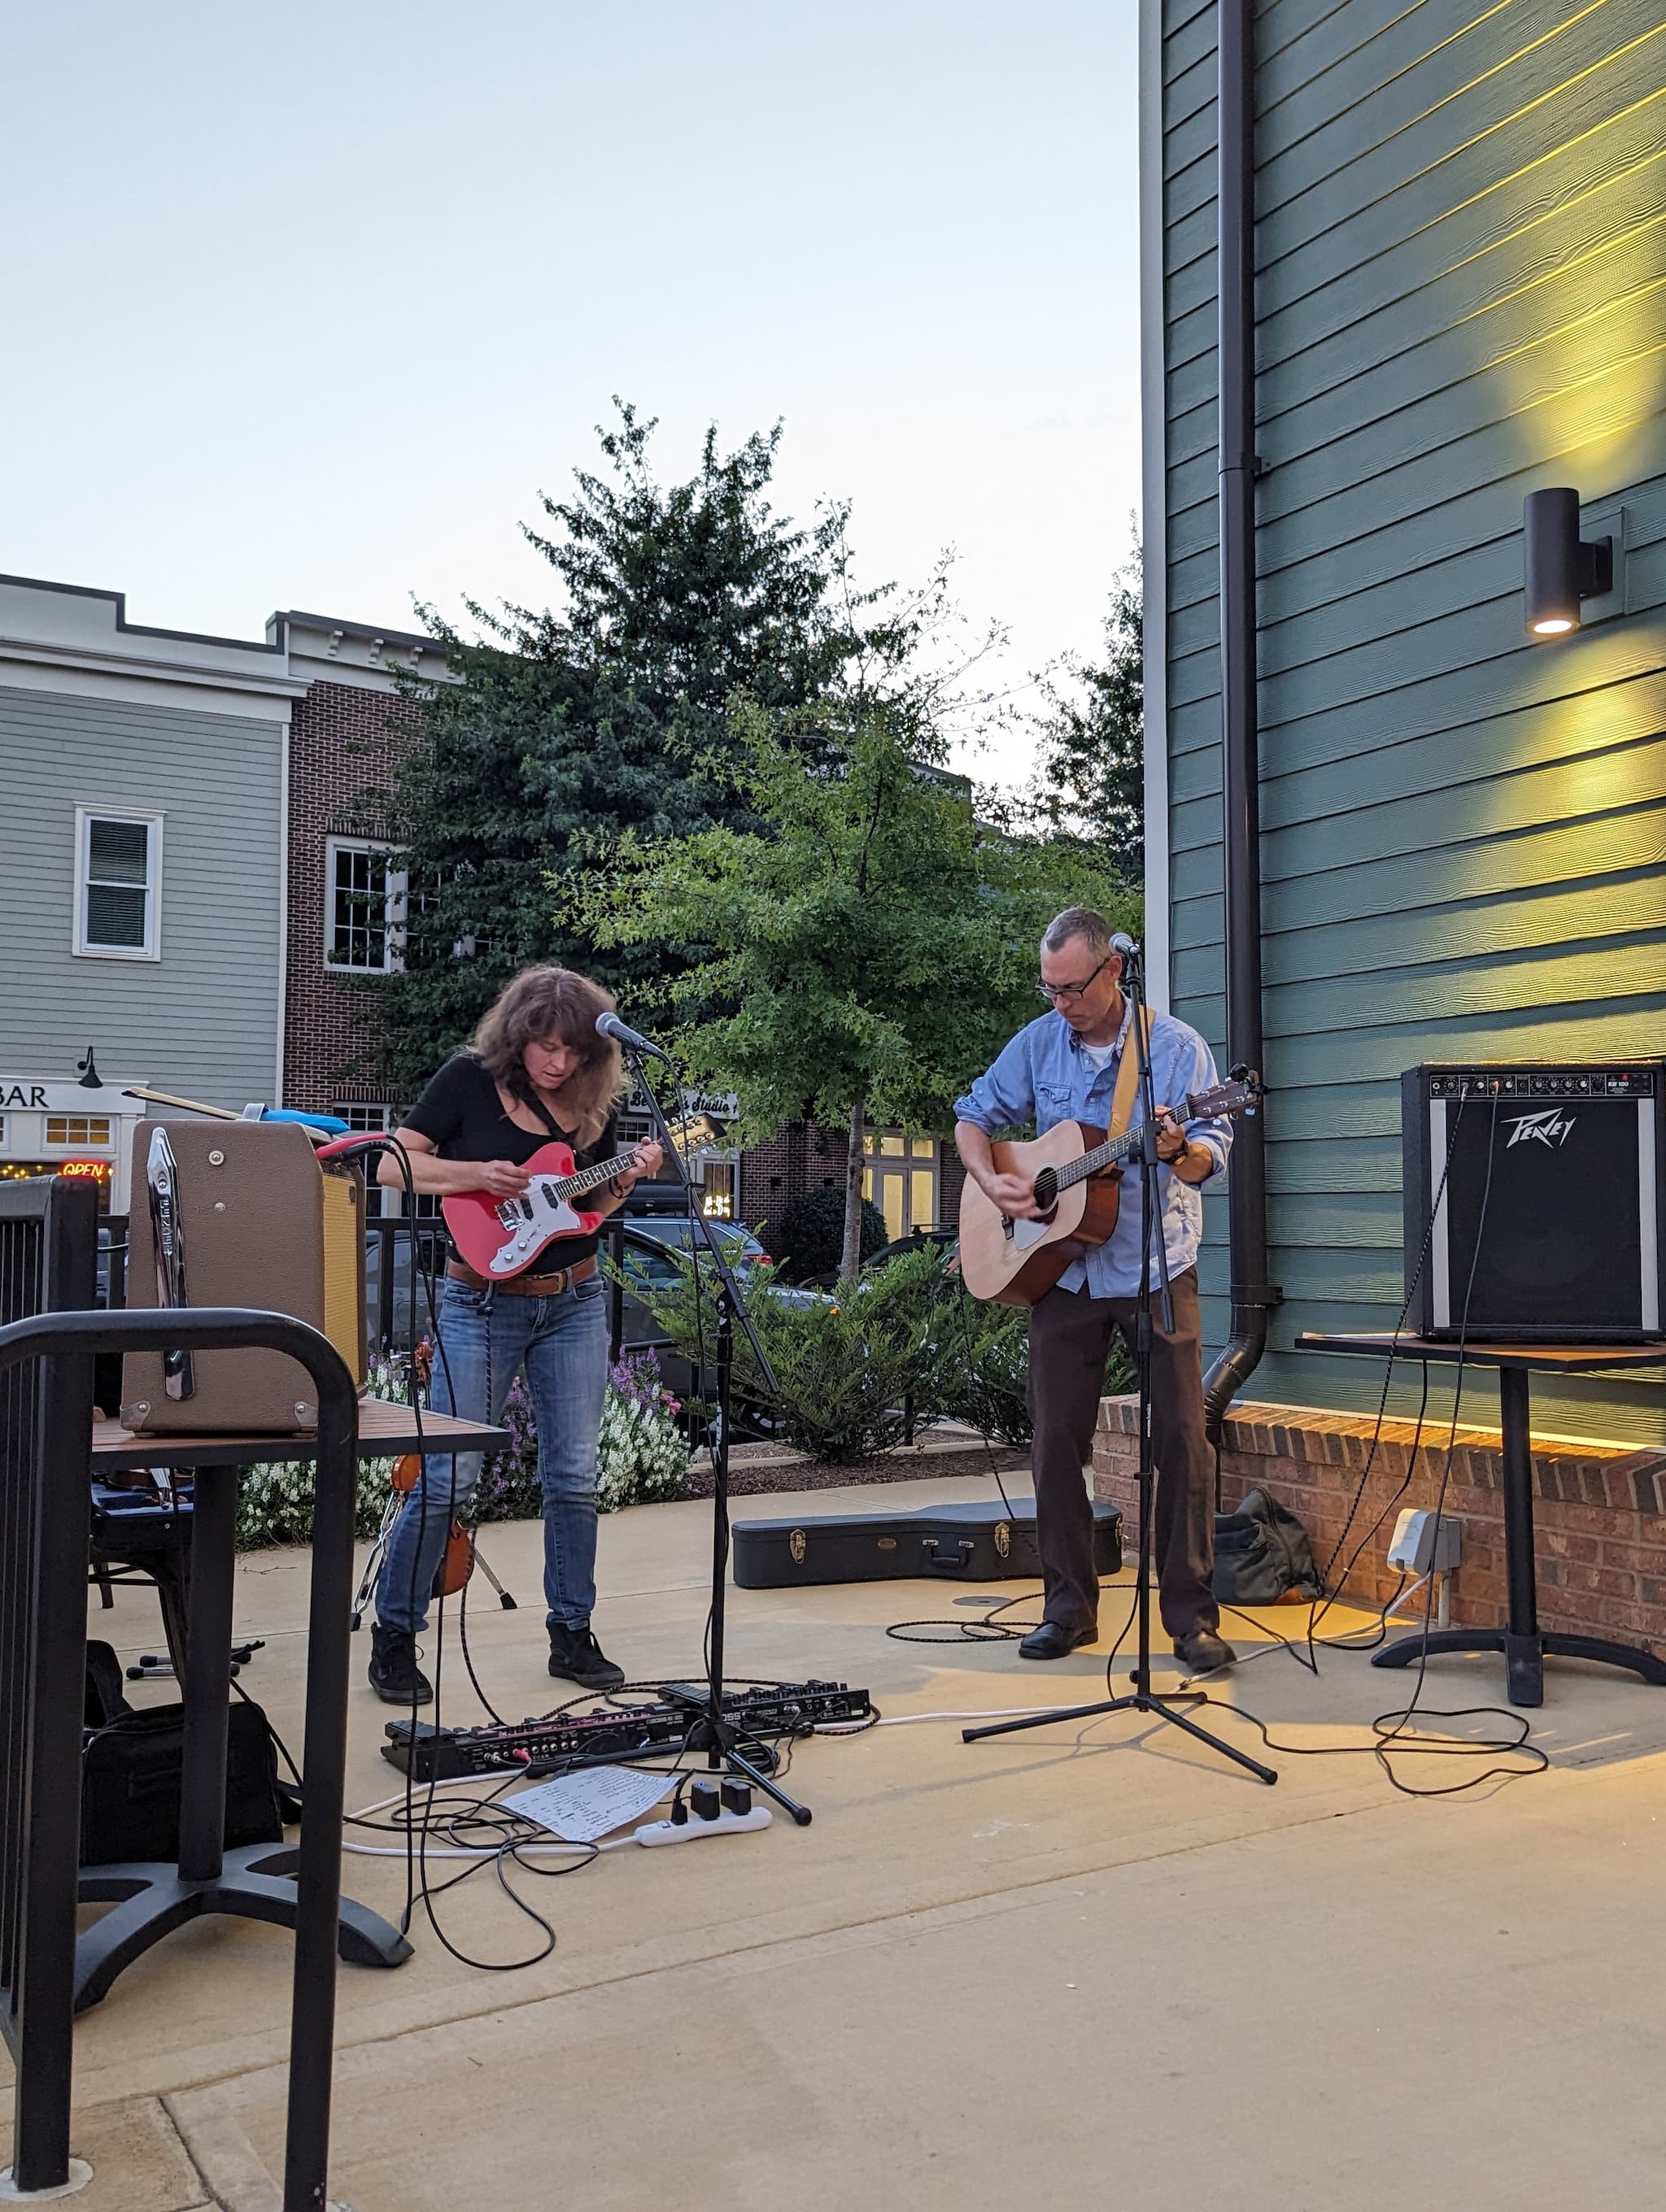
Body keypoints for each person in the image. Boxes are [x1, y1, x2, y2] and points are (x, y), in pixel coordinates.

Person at [953, 907, 1236, 1673]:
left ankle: (1190, 1618)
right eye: (1049, 989)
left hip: (1155, 1268)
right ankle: (1068, 1608)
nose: (1060, 1004)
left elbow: (1214, 1150)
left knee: (1181, 1441)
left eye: (1072, 988)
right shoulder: (1039, 1041)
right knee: (1054, 1445)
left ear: (1114, 968)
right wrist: (996, 1185)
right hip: (1062, 1274)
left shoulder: (1174, 1050)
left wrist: (1180, 1150)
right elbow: (973, 1118)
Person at [369, 965, 661, 1704]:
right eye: (544, 1047)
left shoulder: (592, 1105)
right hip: (480, 1300)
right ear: (518, 1036)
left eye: (571, 1051)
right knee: (447, 1477)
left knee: (573, 1477)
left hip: (574, 1298)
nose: (557, 1063)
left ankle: (572, 1632)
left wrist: (629, 1174)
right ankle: (394, 1636)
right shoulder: (467, 1080)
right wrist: (477, 1176)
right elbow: (392, 1164)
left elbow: (588, 1205)